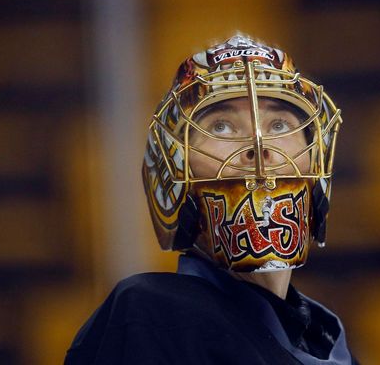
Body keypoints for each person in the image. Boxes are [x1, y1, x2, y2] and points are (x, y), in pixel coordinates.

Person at [65, 34, 356, 364]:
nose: (258, 148)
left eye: (278, 123)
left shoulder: (328, 340)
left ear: (314, 160)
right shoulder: (151, 318)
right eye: (221, 126)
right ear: (175, 164)